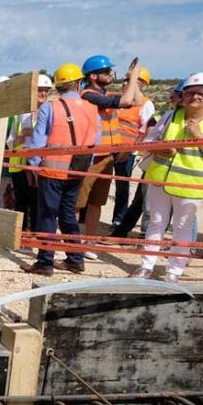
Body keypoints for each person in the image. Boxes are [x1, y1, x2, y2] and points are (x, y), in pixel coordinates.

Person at [132, 72, 203, 283]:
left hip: (191, 184)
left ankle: (174, 271)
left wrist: (198, 135)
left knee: (182, 227)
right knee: (156, 222)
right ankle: (146, 265)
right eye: (189, 93)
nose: (195, 97)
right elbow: (149, 140)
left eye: (201, 93)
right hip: (161, 179)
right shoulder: (171, 116)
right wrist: (160, 148)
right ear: (182, 96)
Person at [20, 62, 102, 276]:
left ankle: (45, 262)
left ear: (58, 85)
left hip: (52, 171)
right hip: (77, 170)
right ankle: (75, 259)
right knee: (67, 214)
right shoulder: (93, 110)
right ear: (78, 83)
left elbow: (37, 143)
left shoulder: (50, 107)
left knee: (47, 215)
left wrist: (34, 168)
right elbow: (96, 142)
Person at [77, 54, 143, 258]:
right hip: (90, 156)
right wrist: (132, 78)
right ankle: (72, 241)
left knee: (96, 201)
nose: (110, 74)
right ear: (93, 76)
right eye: (106, 72)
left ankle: (89, 242)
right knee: (78, 202)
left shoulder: (104, 93)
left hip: (106, 156)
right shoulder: (88, 94)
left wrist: (133, 79)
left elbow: (137, 100)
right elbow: (124, 102)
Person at [9, 74, 53, 231]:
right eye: (40, 90)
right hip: (19, 164)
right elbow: (11, 140)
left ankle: (33, 234)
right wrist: (19, 139)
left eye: (46, 91)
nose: (43, 94)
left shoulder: (51, 112)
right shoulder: (21, 113)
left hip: (38, 163)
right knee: (21, 201)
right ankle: (19, 233)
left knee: (36, 201)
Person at [111, 66, 154, 225]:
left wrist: (129, 151)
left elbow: (146, 131)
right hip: (108, 148)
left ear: (141, 84)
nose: (124, 83)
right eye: (125, 79)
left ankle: (118, 219)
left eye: (130, 80)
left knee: (122, 187)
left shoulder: (145, 104)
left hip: (126, 152)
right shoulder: (118, 99)